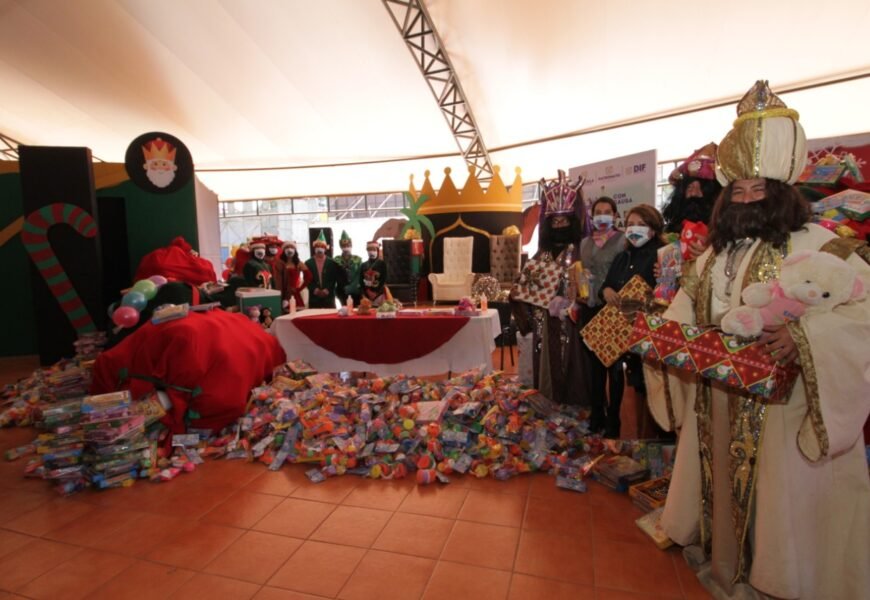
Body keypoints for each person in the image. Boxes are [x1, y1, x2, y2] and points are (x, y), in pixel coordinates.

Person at [646, 81, 870, 599]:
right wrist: (659, 338)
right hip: (718, 400)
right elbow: (685, 308)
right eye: (737, 192)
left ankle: (781, 574)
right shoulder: (710, 257)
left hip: (785, 408)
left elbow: (862, 314)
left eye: (758, 190)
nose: (746, 201)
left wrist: (805, 335)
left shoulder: (826, 247)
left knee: (780, 502)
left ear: (782, 193)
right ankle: (731, 559)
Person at [511, 170, 588, 405]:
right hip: (543, 322)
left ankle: (576, 408)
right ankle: (546, 404)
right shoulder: (541, 253)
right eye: (554, 221)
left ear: (572, 221)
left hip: (573, 324)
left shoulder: (581, 251)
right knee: (545, 367)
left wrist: (573, 303)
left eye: (564, 220)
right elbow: (525, 287)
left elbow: (587, 287)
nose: (559, 225)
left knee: (574, 367)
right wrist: (519, 292)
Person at [598, 203, 665, 438]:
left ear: (654, 229)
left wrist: (667, 276)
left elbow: (670, 294)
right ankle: (617, 434)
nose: (634, 229)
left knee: (650, 391)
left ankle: (655, 442)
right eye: (630, 225)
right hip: (618, 335)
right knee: (620, 386)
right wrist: (606, 291)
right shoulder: (622, 257)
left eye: (641, 225)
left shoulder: (663, 256)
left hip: (648, 336)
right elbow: (606, 286)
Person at [579, 196, 626, 433]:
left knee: (614, 367)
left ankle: (614, 419)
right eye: (598, 211)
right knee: (594, 368)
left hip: (613, 309)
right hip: (590, 308)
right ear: (592, 215)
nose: (603, 215)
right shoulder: (585, 242)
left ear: (616, 215)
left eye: (608, 211)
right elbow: (580, 274)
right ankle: (597, 414)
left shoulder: (623, 240)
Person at [305, 231, 341, 309]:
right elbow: (307, 280)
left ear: (325, 248)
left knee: (330, 318)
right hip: (314, 298)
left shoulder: (332, 262)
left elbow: (334, 279)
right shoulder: (308, 263)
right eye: (317, 247)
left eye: (322, 247)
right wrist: (316, 290)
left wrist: (327, 290)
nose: (319, 249)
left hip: (329, 297)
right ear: (314, 248)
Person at [274, 241, 311, 311]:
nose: (289, 249)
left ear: (295, 250)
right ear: (283, 250)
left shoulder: (299, 264)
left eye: (291, 247)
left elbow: (309, 276)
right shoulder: (279, 263)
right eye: (287, 247)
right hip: (281, 292)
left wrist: (299, 288)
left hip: (293, 293)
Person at [334, 230, 362, 307]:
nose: (346, 248)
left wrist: (351, 287)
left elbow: (359, 275)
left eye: (348, 245)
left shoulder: (358, 259)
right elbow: (335, 276)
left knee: (356, 313)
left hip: (356, 291)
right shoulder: (336, 260)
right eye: (344, 246)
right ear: (340, 247)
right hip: (342, 292)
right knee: (345, 312)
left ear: (351, 246)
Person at [359, 240, 387, 306]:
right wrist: (367, 292)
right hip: (366, 295)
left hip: (379, 294)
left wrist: (376, 292)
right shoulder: (363, 265)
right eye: (369, 249)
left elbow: (384, 279)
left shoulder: (382, 264)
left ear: (377, 250)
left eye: (373, 249)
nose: (371, 251)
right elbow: (360, 281)